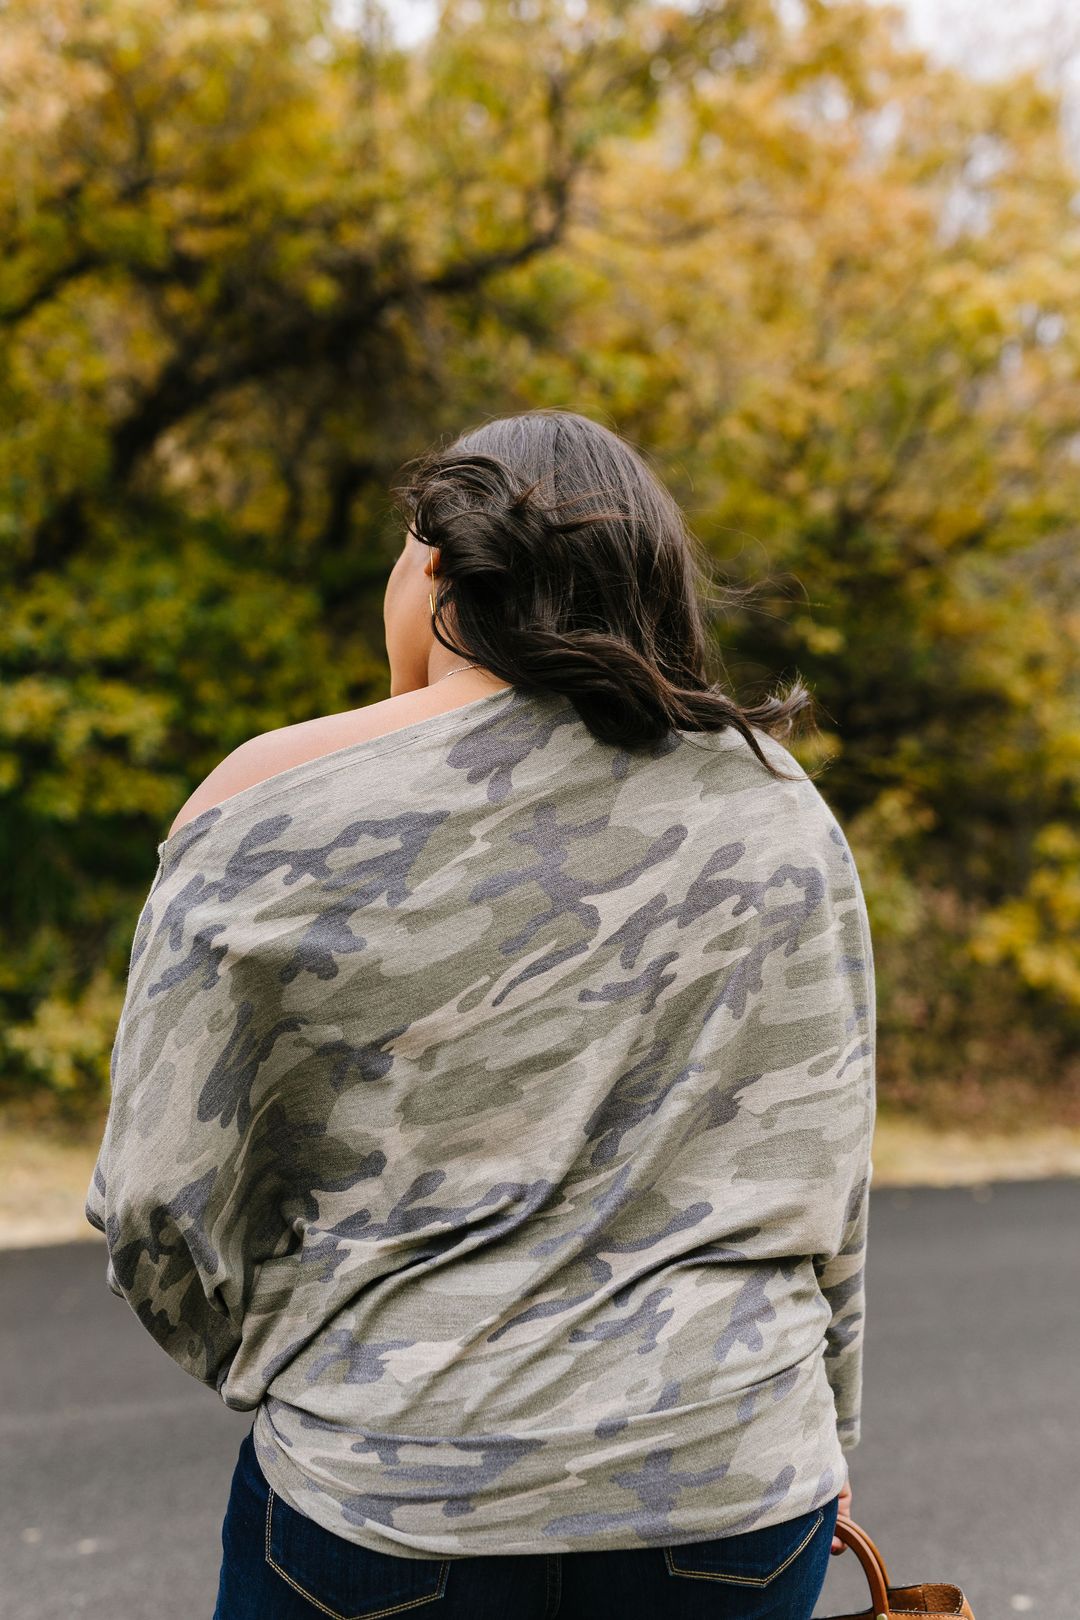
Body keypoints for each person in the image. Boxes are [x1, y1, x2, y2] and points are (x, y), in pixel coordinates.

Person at [86, 408, 875, 1620]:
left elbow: (155, 1207)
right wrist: (822, 1431)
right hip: (733, 1485)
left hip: (392, 1493)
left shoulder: (269, 798)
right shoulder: (777, 804)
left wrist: (310, 1368)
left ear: (438, 563)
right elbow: (826, 1180)